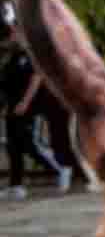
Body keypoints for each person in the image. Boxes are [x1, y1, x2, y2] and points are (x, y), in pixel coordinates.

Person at [1, 19, 71, 199]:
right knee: (12, 146)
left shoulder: (32, 51)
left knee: (29, 144)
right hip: (12, 105)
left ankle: (60, 168)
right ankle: (16, 186)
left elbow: (37, 78)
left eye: (15, 31)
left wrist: (25, 102)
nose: (12, 35)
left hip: (29, 106)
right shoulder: (10, 55)